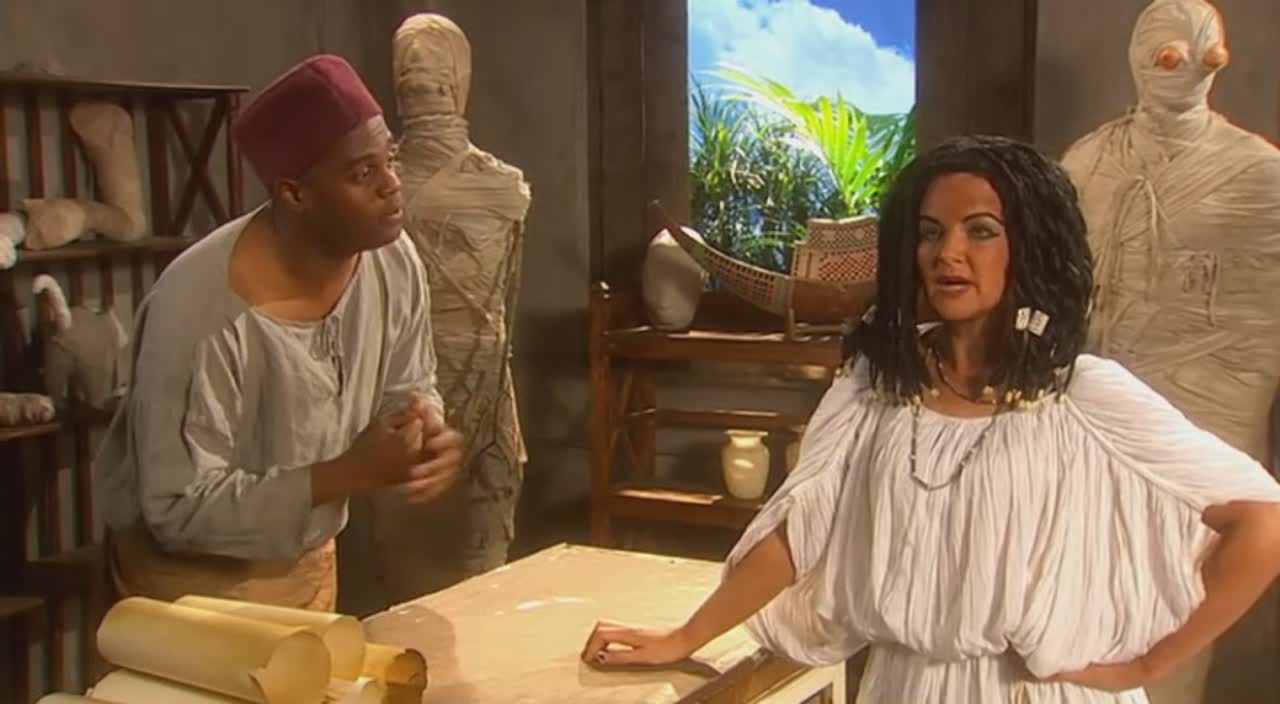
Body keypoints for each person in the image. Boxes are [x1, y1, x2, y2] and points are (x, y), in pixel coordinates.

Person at [581, 135, 1280, 702]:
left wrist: (1149, 665)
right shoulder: (875, 385)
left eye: (981, 231)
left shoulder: (1084, 397)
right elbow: (798, 533)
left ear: (1029, 246)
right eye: (930, 232)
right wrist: (686, 637)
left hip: (1036, 693)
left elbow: (1263, 523)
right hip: (905, 686)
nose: (948, 253)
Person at [93, 54, 464, 611]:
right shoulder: (198, 314)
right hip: (189, 592)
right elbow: (176, 508)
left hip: (308, 562)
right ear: (294, 194)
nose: (392, 185)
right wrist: (345, 474)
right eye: (362, 173)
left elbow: (408, 382)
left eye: (390, 158)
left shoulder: (392, 258)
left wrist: (421, 428)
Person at [1062, 4, 1280, 698]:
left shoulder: (1260, 177)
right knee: (1079, 585)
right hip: (1094, 420)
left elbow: (1262, 318)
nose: (1183, 70)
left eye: (1196, 55)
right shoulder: (1088, 163)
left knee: (1181, 590)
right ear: (1140, 59)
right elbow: (1057, 285)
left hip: (1207, 425)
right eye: (1167, 56)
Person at [339, 13, 533, 609]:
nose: (420, 82)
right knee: (423, 577)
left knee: (453, 576)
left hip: (462, 399)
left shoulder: (492, 187)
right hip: (415, 398)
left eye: (426, 73)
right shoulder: (499, 187)